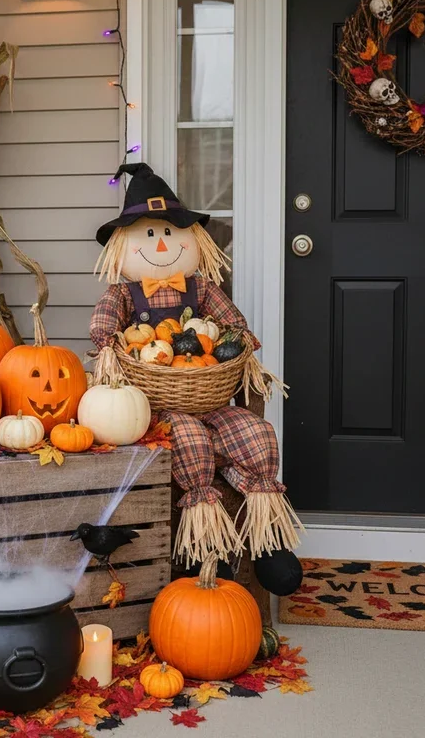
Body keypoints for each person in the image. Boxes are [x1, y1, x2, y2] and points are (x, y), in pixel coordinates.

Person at [90, 163, 302, 578]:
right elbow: (104, 329)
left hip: (210, 393)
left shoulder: (201, 288)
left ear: (192, 239)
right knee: (189, 440)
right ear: (123, 245)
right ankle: (207, 546)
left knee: (256, 433)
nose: (163, 244)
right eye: (150, 235)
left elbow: (235, 327)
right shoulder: (124, 294)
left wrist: (237, 348)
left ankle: (266, 540)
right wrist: (114, 349)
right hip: (156, 407)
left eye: (170, 233)